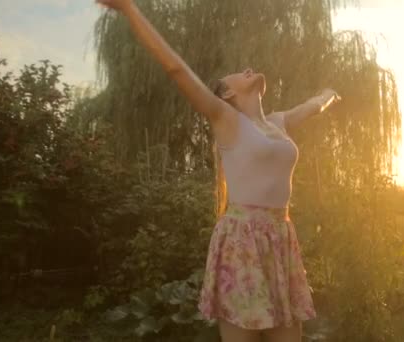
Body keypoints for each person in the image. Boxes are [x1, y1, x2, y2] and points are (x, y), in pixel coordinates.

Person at [95, 1, 341, 341]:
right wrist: (130, 10)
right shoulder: (226, 120)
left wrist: (329, 94)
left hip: (279, 238)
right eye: (239, 73)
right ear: (227, 92)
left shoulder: (277, 122)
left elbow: (313, 107)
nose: (248, 68)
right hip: (242, 240)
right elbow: (177, 70)